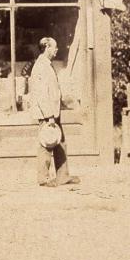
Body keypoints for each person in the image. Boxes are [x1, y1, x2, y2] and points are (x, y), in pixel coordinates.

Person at [29, 36, 77, 187]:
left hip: (53, 112)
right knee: (46, 143)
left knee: (59, 142)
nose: (57, 50)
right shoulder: (41, 66)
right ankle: (43, 179)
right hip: (47, 114)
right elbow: (41, 94)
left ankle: (63, 176)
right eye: (54, 47)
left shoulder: (46, 65)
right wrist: (49, 115)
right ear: (46, 47)